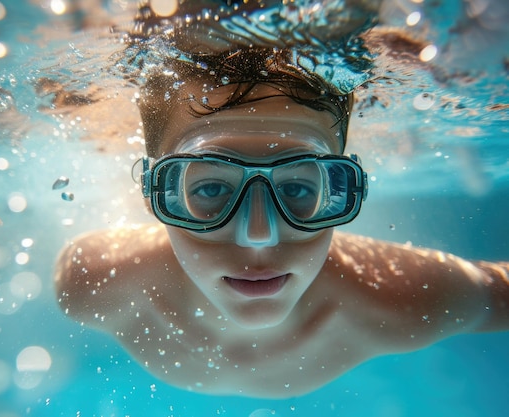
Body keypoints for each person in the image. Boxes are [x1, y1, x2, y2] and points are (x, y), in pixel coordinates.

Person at [54, 1, 509, 398]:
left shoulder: (405, 299)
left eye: (296, 188)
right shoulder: (91, 282)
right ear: (156, 193)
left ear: (341, 189)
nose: (258, 237)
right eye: (211, 189)